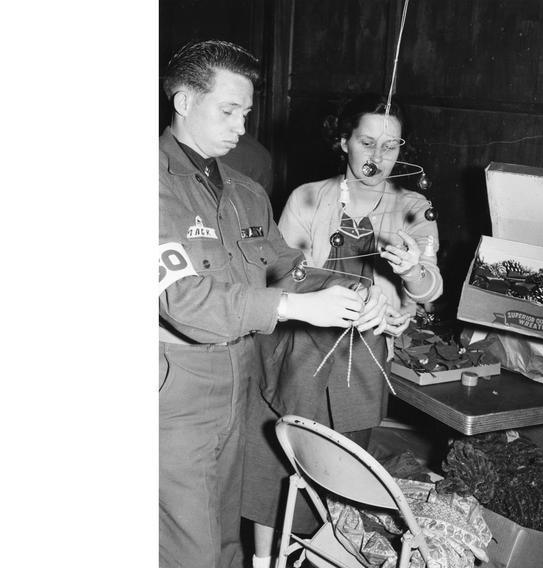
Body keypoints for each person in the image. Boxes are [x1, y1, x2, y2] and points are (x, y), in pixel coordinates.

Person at [159, 40, 390, 568]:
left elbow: (290, 267)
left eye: (246, 112)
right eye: (228, 110)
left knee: (226, 539)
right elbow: (184, 300)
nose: (242, 126)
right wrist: (294, 307)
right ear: (184, 101)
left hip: (241, 379)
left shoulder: (246, 192)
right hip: (178, 387)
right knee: (185, 547)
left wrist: (358, 293)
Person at [241, 93, 443, 568]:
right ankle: (264, 560)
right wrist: (346, 288)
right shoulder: (309, 197)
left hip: (363, 365)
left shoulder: (415, 207)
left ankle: (319, 555)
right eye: (367, 142)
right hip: (294, 352)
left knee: (341, 476)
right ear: (343, 141)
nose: (378, 158)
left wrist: (412, 274)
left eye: (391, 146)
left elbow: (431, 289)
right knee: (274, 463)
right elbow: (278, 273)